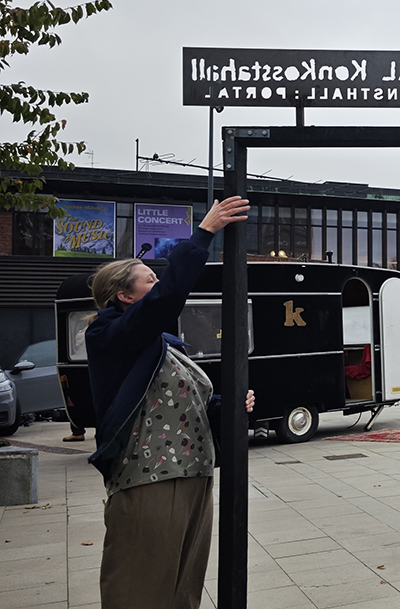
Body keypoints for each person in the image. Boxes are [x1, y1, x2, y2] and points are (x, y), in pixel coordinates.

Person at [85, 196, 255, 609]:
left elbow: (187, 408)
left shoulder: (165, 346)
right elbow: (166, 301)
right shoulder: (110, 335)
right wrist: (203, 234)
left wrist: (229, 405)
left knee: (183, 589)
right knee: (141, 590)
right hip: (149, 478)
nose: (158, 284)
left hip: (195, 475)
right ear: (125, 297)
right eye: (149, 279)